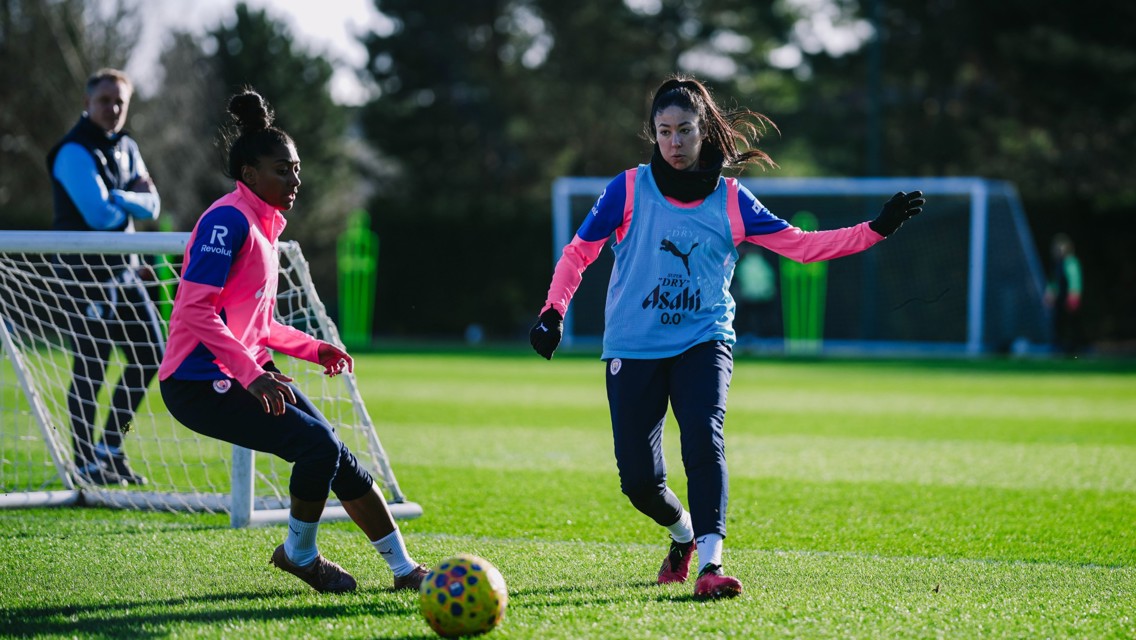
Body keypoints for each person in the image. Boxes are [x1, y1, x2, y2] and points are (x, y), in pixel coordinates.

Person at [528, 75, 924, 600]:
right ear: (653, 134)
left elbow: (801, 247)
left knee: (703, 436)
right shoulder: (627, 189)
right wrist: (553, 311)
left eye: (685, 130)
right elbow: (580, 252)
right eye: (664, 131)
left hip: (704, 339)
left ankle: (711, 563)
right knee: (640, 484)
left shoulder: (733, 200)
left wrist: (874, 229)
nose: (674, 142)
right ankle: (683, 534)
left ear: (703, 130)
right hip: (633, 347)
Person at [157, 89, 428, 594]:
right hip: (195, 382)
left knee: (338, 457)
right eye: (282, 169)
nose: (295, 178)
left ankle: (405, 570)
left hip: (242, 372)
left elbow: (256, 323)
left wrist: (313, 347)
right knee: (316, 446)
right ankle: (299, 555)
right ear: (249, 175)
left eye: (297, 168)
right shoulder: (226, 220)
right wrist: (253, 375)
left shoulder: (265, 230)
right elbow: (193, 310)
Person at [46, 68, 163, 486]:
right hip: (85, 277)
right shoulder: (73, 151)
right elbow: (97, 217)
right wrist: (131, 198)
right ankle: (84, 462)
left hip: (127, 272)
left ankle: (110, 446)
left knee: (152, 355)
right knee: (91, 369)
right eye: (104, 101)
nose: (112, 108)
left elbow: (153, 207)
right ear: (86, 103)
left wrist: (119, 197)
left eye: (120, 102)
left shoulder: (128, 146)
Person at [1044, 233, 1083, 355]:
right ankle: (1058, 347)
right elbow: (1054, 281)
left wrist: (1073, 295)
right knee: (1058, 323)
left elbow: (1075, 280)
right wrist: (1050, 294)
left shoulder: (1071, 262)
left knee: (1071, 323)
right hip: (1060, 299)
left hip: (1069, 298)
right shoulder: (1057, 264)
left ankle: (1074, 348)